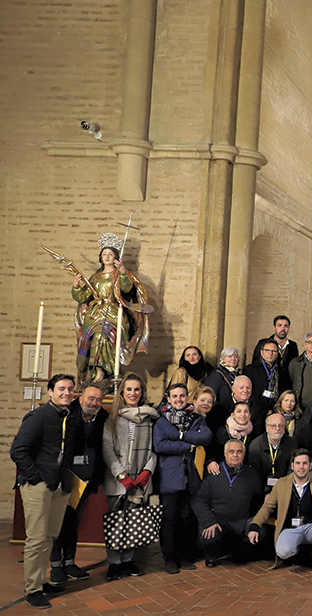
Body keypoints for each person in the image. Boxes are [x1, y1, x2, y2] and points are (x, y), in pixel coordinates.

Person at [10, 374, 77, 608]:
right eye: (61, 388)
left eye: (70, 389)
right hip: (38, 485)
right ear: (50, 391)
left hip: (59, 485)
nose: (66, 392)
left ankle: (40, 580)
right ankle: (32, 590)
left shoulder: (69, 415)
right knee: (37, 539)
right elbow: (18, 450)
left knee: (50, 536)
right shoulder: (39, 415)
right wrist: (35, 476)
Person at [67, 233, 151, 384]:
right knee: (95, 336)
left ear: (116, 258)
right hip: (95, 315)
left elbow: (127, 289)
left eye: (111, 254)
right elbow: (83, 297)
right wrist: (76, 284)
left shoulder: (120, 274)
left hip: (114, 314)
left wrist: (124, 273)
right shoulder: (95, 277)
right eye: (104, 254)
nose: (107, 257)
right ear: (100, 257)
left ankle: (104, 372)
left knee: (103, 336)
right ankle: (95, 372)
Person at [48, 385, 107, 584]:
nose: (94, 403)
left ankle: (70, 562)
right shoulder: (66, 414)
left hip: (86, 481)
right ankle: (56, 565)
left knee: (73, 523)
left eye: (98, 400)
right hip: (64, 479)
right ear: (80, 398)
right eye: (91, 398)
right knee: (57, 523)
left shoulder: (103, 418)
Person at [101, 373, 158, 581]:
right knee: (116, 520)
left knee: (134, 519)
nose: (133, 393)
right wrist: (120, 473)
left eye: (136, 389)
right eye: (128, 390)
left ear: (141, 392)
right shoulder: (112, 418)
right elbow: (107, 448)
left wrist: (147, 471)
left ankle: (128, 560)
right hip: (119, 478)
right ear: (122, 393)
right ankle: (114, 562)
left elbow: (154, 449)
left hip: (140, 478)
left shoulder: (150, 418)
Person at [153, 382, 213, 574]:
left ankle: (185, 556)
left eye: (182, 396)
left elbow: (205, 437)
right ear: (169, 399)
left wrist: (179, 435)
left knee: (186, 517)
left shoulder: (196, 418)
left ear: (187, 397)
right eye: (175, 396)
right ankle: (170, 558)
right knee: (170, 518)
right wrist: (187, 445)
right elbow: (160, 445)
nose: (179, 399)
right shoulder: (161, 420)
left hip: (191, 476)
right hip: (169, 477)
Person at [248, 449, 312, 572]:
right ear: (292, 465)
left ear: (310, 465)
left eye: (305, 463)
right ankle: (302, 555)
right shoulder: (281, 483)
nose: (301, 467)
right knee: (283, 552)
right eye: (298, 463)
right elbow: (267, 507)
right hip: (290, 529)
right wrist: (254, 525)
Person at [191, 439, 263, 567]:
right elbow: (198, 500)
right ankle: (215, 555)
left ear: (244, 454)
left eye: (239, 452)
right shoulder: (212, 473)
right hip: (218, 522)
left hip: (241, 522)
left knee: (261, 532)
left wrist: (254, 523)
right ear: (225, 454)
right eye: (231, 451)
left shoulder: (252, 475)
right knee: (208, 537)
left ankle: (237, 553)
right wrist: (209, 521)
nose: (235, 455)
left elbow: (258, 502)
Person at [245, 341, 291, 433]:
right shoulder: (250, 370)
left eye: (274, 351)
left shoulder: (282, 372)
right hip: (257, 411)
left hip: (276, 410)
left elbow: (284, 391)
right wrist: (265, 410)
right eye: (267, 350)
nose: (271, 353)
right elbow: (249, 393)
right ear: (262, 352)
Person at [247, 413, 294, 494]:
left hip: (285, 487)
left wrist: (284, 488)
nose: (277, 429)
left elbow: (292, 469)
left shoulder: (292, 444)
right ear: (267, 427)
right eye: (273, 426)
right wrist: (266, 491)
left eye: (281, 426)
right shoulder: (256, 445)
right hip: (261, 488)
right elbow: (256, 474)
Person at [208, 402, 255, 475]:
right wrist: (211, 461)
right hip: (223, 470)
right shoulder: (222, 432)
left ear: (249, 415)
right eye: (239, 411)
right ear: (232, 415)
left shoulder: (254, 433)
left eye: (246, 411)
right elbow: (212, 452)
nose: (243, 414)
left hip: (245, 472)